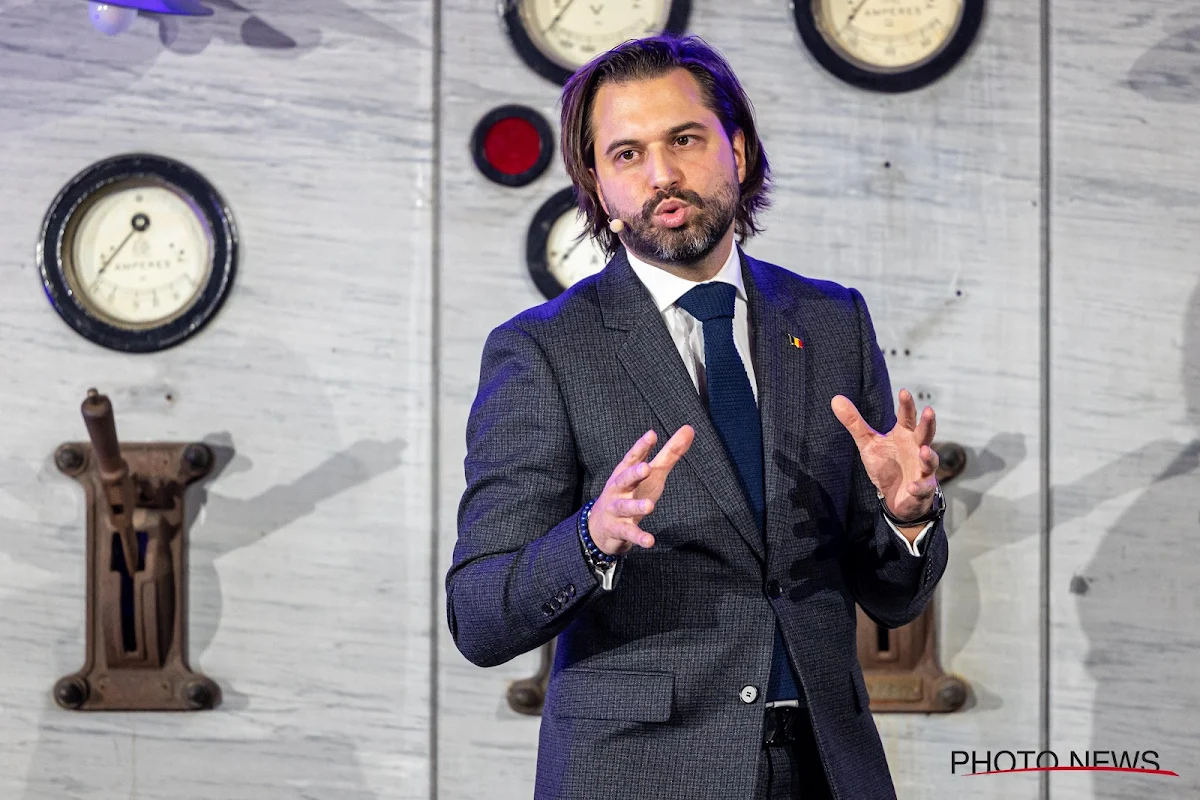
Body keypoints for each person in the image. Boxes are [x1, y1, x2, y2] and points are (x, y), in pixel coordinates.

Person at [446, 34, 949, 800]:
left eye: (685, 139)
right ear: (597, 184)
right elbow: (481, 617)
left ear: (737, 151)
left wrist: (907, 519)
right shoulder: (542, 350)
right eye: (626, 154)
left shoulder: (833, 319)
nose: (662, 175)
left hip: (828, 768)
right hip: (641, 775)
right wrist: (591, 536)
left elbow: (891, 595)